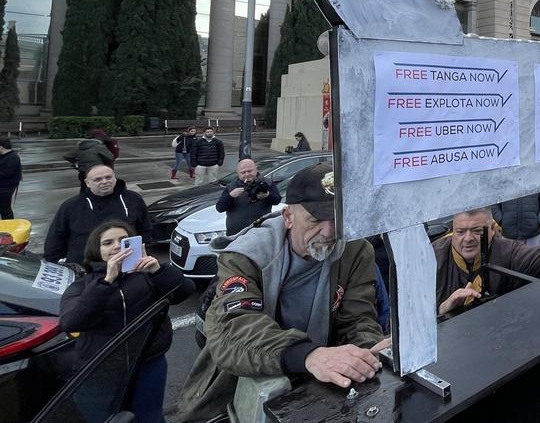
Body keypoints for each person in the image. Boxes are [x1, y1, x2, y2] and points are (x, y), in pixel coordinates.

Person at [176, 163, 387, 421]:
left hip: (320, 388)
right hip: (237, 389)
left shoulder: (355, 250)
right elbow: (233, 331)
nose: (329, 232)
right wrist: (308, 355)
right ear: (288, 217)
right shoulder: (246, 256)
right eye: (315, 219)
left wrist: (369, 355)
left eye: (337, 218)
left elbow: (358, 318)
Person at [59, 220, 193, 423]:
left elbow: (184, 292)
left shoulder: (147, 275)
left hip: (148, 362)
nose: (116, 246)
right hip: (102, 367)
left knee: (150, 417)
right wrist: (106, 282)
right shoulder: (83, 284)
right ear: (97, 250)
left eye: (123, 240)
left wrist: (158, 271)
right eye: (107, 243)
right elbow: (72, 321)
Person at [44, 165, 152, 264]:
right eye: (98, 179)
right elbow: (56, 238)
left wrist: (143, 254)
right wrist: (55, 263)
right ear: (87, 182)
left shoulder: (133, 199)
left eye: (108, 177)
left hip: (125, 264)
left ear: (115, 178)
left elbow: (145, 230)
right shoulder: (71, 206)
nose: (104, 182)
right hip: (85, 269)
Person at [216, 159, 283, 235]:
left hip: (261, 232)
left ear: (256, 170)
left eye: (250, 171)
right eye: (243, 172)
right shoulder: (231, 187)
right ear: (238, 174)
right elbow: (219, 208)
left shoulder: (267, 183)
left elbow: (277, 200)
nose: (247, 174)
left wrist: (267, 195)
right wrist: (230, 196)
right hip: (237, 234)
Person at [0, 137, 21, 220]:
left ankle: (9, 225)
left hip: (6, 188)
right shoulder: (2, 155)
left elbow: (7, 173)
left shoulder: (13, 157)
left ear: (1, 147)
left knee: (5, 209)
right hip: (2, 186)